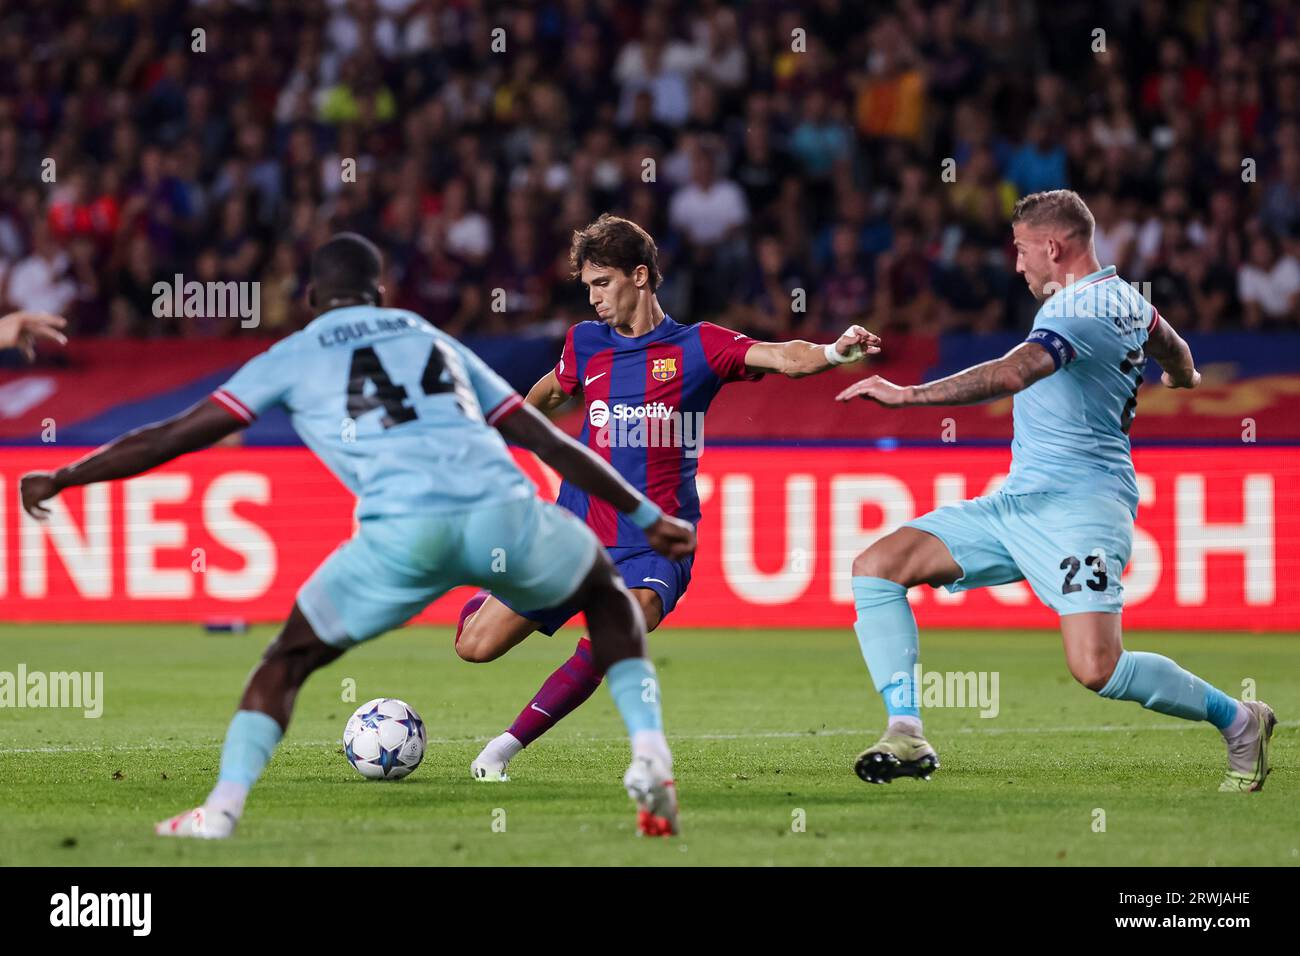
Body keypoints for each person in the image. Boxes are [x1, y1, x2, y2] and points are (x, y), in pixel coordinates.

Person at [19, 233, 697, 838]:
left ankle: (220, 811)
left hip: (402, 534)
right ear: (379, 293)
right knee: (611, 602)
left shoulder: (293, 352)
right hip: (506, 511)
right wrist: (645, 516)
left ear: (313, 298)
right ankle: (649, 755)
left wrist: (67, 475)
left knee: (285, 660)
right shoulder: (427, 336)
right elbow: (538, 433)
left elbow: (173, 434)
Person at [835, 190, 1275, 793]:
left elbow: (1015, 372)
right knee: (878, 568)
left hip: (1082, 510)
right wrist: (1182, 377)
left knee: (1096, 667)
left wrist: (907, 395)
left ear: (1053, 247)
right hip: (1019, 502)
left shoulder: (1077, 313)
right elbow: (1172, 344)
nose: (1017, 266)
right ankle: (906, 730)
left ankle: (1240, 719)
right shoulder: (1127, 299)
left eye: (1021, 251)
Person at [455, 213, 880, 782]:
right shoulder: (585, 343)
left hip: (656, 542)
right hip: (575, 530)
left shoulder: (699, 347)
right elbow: (555, 388)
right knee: (474, 647)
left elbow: (783, 357)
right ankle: (490, 593)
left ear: (640, 276)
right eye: (586, 287)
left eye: (601, 283)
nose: (593, 298)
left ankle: (500, 751)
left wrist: (834, 352)